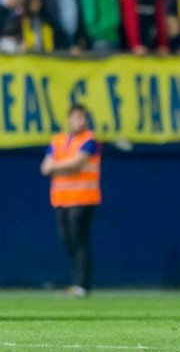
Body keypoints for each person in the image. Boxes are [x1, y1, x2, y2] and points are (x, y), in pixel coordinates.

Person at [40, 104, 102, 297]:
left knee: (79, 239)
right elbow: (45, 167)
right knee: (68, 241)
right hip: (61, 199)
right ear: (69, 119)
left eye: (83, 117)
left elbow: (76, 164)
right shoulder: (58, 141)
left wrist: (56, 166)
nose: (80, 121)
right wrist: (61, 166)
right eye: (76, 117)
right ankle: (76, 282)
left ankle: (82, 285)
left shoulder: (90, 140)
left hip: (84, 198)